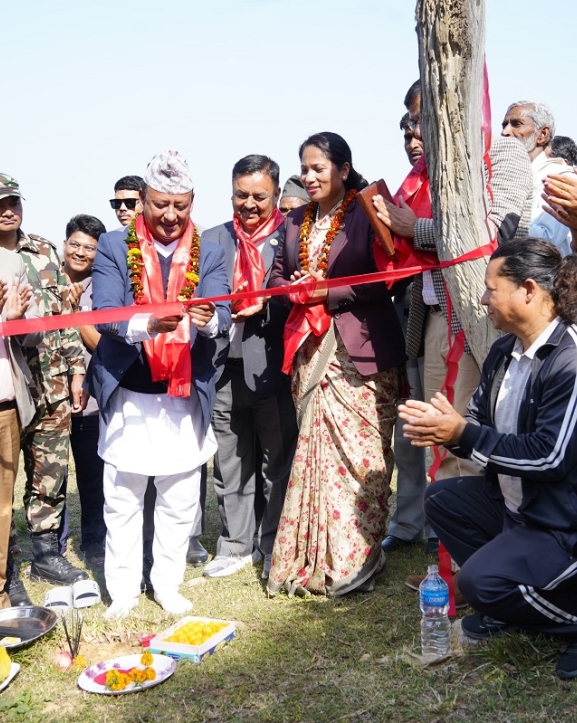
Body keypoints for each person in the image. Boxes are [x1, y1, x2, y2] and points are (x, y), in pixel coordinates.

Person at [399, 238, 577, 680]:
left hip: (562, 522)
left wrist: (463, 433)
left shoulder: (569, 359)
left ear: (529, 290)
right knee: (442, 498)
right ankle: (514, 604)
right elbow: (478, 421)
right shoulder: (503, 352)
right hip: (522, 509)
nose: (482, 299)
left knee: (479, 583)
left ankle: (566, 614)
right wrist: (446, 426)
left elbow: (550, 457)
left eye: (491, 288)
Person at [88, 150, 230, 618]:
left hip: (184, 394)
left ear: (192, 203)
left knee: (181, 496)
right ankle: (124, 590)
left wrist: (208, 321)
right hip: (130, 390)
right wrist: (148, 323)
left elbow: (224, 311)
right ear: (145, 201)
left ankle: (167, 584)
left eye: (181, 206)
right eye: (160, 204)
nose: (171, 216)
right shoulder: (113, 244)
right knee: (123, 496)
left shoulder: (210, 249)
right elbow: (107, 312)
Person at [267, 132, 407, 596]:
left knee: (361, 457)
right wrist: (296, 288)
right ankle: (314, 558)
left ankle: (357, 558)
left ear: (343, 170)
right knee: (314, 456)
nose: (308, 177)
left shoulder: (368, 212)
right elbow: (277, 277)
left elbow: (385, 278)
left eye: (318, 168)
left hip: (363, 352)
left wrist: (329, 291)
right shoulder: (292, 222)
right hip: (309, 350)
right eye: (303, 169)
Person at [201, 155, 297, 580]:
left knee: (277, 460)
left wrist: (268, 302)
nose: (250, 204)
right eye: (242, 195)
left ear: (276, 194)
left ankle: (274, 541)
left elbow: (301, 296)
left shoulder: (293, 234)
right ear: (231, 194)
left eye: (260, 196)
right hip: (221, 366)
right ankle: (236, 543)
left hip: (272, 365)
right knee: (229, 460)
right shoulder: (211, 240)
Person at [0, 173, 88, 596]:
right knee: (3, 479)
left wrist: (76, 370)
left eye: (13, 200)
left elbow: (64, 316)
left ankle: (47, 554)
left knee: (50, 472)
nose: (7, 209)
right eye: (0, 202)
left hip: (51, 383)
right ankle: (6, 566)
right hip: (7, 387)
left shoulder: (45, 251)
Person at [381, 111, 431, 554]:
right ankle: (409, 521)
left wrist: (411, 228)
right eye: (405, 130)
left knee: (444, 424)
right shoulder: (411, 183)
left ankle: (444, 523)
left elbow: (477, 236)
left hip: (457, 317)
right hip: (411, 315)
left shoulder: (470, 175)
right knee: (410, 425)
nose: (411, 138)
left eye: (419, 126)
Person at [62, 214, 107, 565]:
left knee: (92, 478)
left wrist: (77, 311)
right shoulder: (46, 281)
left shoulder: (103, 287)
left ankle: (94, 540)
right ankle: (55, 545)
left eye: (89, 248)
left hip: (90, 400)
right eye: (75, 244)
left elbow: (100, 346)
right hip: (48, 399)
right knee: (50, 480)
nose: (80, 253)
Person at [0, 255, 40, 607]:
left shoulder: (11, 264)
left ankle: (2, 587)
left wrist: (16, 321)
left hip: (4, 406)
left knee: (1, 505)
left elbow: (36, 333)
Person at [502, 100, 576, 256]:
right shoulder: (505, 176)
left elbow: (545, 241)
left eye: (516, 124)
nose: (505, 132)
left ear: (542, 135)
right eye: (504, 125)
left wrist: (499, 219)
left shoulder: (560, 179)